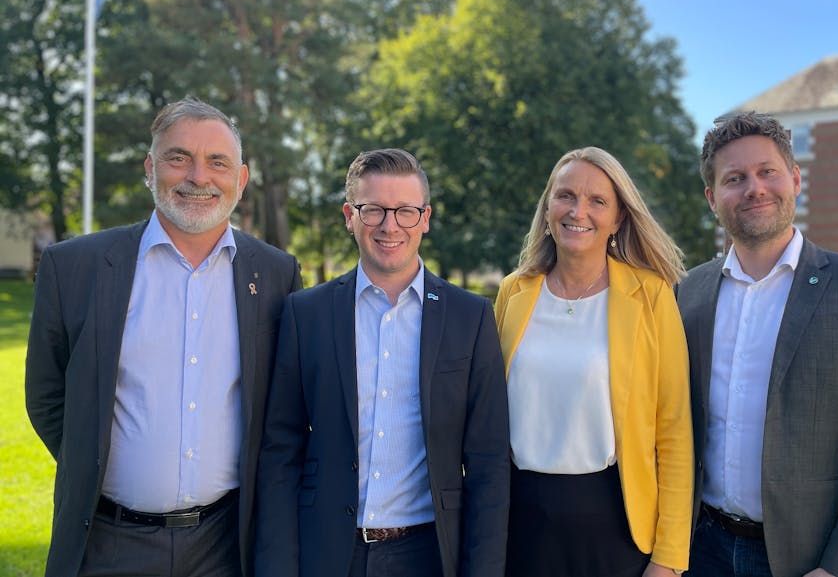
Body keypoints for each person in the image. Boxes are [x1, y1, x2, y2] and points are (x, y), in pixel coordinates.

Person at [25, 96, 303, 577]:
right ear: (150, 169)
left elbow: (284, 408)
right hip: (108, 542)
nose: (199, 176)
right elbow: (48, 397)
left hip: (227, 544)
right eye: (179, 158)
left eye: (218, 162)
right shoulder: (75, 267)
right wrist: (95, 461)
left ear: (240, 179)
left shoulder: (276, 273)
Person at [676, 111, 838, 577]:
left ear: (795, 178)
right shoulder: (688, 292)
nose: (755, 188)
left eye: (768, 171)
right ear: (712, 197)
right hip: (699, 549)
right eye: (734, 178)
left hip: (807, 558)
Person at [254, 148, 510, 577]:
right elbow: (280, 452)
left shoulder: (470, 317)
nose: (390, 226)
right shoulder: (306, 313)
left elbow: (488, 462)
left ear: (425, 218)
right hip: (328, 554)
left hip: (428, 554)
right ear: (349, 216)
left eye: (406, 211)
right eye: (373, 210)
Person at [494, 147, 694, 577]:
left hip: (614, 524)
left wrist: (669, 558)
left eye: (597, 201)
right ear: (548, 208)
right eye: (565, 195)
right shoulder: (513, 292)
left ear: (618, 218)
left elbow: (674, 431)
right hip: (519, 524)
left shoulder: (651, 296)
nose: (577, 211)